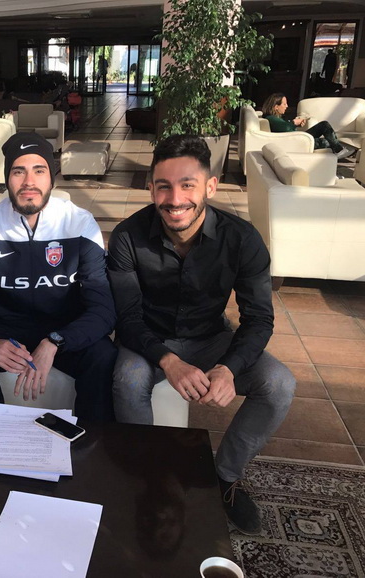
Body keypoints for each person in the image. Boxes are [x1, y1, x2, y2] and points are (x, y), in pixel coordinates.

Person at [108, 135, 296, 535]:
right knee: (128, 379)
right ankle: (150, 476)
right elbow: (126, 317)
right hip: (148, 338)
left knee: (279, 383)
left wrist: (229, 368)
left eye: (187, 185)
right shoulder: (127, 236)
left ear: (210, 186)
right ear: (151, 188)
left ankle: (225, 477)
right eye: (164, 186)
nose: (175, 199)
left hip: (211, 336)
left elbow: (259, 319)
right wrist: (169, 361)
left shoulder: (242, 239)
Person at [0, 132, 117, 421]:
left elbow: (104, 309)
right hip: (7, 331)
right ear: (7, 179)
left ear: (51, 179)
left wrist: (55, 341)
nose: (29, 181)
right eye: (19, 171)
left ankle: (91, 442)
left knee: (103, 354)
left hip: (65, 331)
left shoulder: (79, 222)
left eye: (39, 171)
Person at [262, 93, 355, 159]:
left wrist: (294, 124)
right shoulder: (271, 118)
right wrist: (294, 122)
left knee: (324, 126)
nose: (287, 106)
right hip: (296, 142)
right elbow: (285, 128)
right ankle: (339, 150)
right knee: (326, 140)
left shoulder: (276, 118)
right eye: (284, 104)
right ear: (276, 107)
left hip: (297, 139)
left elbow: (285, 127)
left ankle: (339, 150)